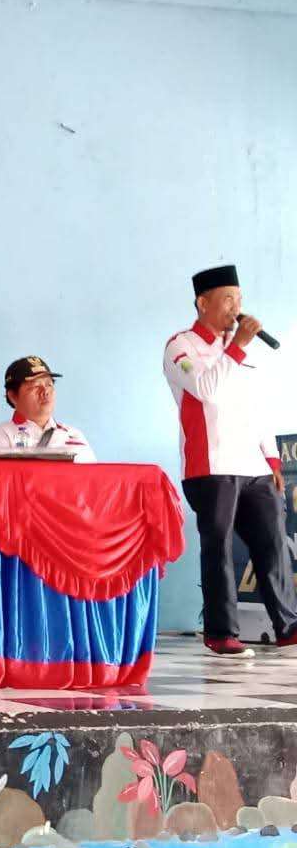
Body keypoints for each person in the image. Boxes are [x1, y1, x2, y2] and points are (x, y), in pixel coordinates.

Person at [164, 264, 297, 657]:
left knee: (273, 544)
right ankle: (221, 633)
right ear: (203, 303)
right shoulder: (181, 346)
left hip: (253, 466)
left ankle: (288, 626)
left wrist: (272, 458)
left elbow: (256, 407)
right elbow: (206, 389)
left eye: (239, 299)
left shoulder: (242, 350)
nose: (236, 307)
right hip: (211, 465)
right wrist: (236, 347)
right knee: (218, 546)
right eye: (227, 299)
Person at [0, 356, 96, 462]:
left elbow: (93, 475)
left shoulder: (74, 435)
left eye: (49, 384)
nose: (45, 392)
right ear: (13, 396)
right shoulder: (0, 436)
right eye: (35, 386)